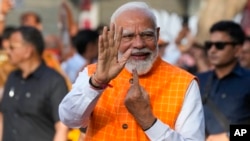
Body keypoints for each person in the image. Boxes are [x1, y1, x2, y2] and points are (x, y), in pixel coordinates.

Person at [59, 1, 204, 141]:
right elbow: (69, 119)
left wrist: (148, 120)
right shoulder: (93, 74)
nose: (139, 44)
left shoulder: (183, 83)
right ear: (113, 37)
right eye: (128, 36)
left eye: (147, 35)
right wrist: (96, 84)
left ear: (157, 35)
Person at [0, 26, 69, 141]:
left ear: (28, 51)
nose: (7, 52)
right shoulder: (12, 78)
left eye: (12, 47)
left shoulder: (53, 81)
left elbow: (62, 128)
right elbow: (3, 117)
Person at [197, 21, 250, 141]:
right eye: (209, 45)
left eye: (219, 45)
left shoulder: (248, 81)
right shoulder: (198, 80)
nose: (212, 50)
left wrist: (229, 136)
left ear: (237, 50)